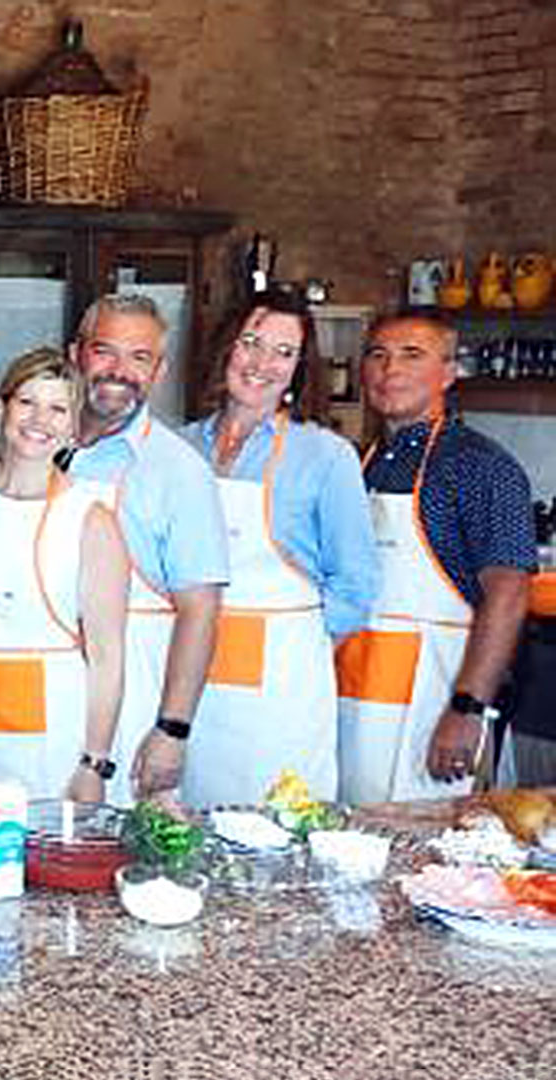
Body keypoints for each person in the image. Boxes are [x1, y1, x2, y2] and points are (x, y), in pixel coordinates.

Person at [180, 289, 379, 806]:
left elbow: (356, 586)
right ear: (227, 347)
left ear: (299, 370)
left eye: (283, 352)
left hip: (280, 692)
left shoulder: (327, 456)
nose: (262, 363)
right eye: (251, 342)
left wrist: (302, 652)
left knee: (274, 826)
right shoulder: (177, 449)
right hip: (184, 679)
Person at [338, 309, 534, 803]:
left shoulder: (482, 466)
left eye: (412, 355)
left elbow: (509, 594)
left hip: (433, 700)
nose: (390, 369)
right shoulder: (357, 462)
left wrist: (467, 709)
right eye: (377, 355)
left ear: (449, 372)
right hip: (351, 690)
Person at [64, 294, 229, 804]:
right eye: (105, 351)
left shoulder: (178, 471)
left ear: (158, 371)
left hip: (135, 702)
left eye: (139, 358)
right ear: (76, 355)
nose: (120, 371)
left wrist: (171, 730)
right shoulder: (40, 442)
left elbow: (201, 611)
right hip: (46, 694)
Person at [0, 348, 128, 801]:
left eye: (58, 409)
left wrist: (95, 762)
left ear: (73, 427)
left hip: (49, 743)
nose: (40, 420)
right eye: (27, 402)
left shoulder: (91, 520)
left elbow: (107, 656)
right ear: (1, 408)